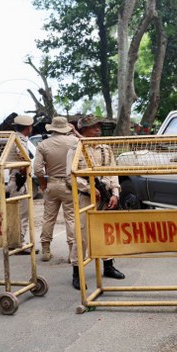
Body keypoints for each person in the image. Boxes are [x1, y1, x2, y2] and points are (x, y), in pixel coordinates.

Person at [75, 115, 124, 283]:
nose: (97, 129)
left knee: (105, 233)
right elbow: (71, 176)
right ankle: (77, 272)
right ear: (83, 130)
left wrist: (115, 193)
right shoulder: (76, 149)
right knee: (82, 235)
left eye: (98, 126)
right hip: (85, 199)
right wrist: (90, 188)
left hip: (105, 196)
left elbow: (113, 172)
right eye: (93, 126)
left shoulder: (105, 148)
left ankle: (108, 266)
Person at [33, 116, 79, 267]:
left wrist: (43, 184)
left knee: (48, 218)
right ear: (66, 128)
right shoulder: (74, 142)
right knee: (71, 218)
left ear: (52, 128)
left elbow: (38, 169)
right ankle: (72, 252)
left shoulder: (43, 144)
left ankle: (46, 250)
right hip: (70, 184)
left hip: (51, 184)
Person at [7, 115, 36, 254]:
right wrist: (26, 165)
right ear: (28, 127)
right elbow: (22, 155)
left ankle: (15, 241)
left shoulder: (14, 137)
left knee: (16, 214)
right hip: (19, 180)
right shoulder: (20, 139)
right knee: (22, 214)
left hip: (15, 179)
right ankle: (19, 242)